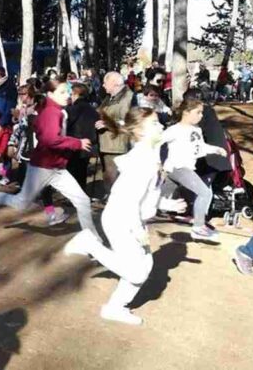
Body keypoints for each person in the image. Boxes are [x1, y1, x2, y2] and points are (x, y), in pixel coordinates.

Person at [65, 107, 187, 325]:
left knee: (145, 265)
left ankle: (115, 307)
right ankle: (89, 244)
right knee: (137, 273)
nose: (160, 126)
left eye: (159, 122)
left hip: (129, 218)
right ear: (140, 131)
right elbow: (129, 200)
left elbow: (147, 196)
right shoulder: (143, 160)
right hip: (121, 220)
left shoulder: (151, 154)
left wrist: (168, 204)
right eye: (154, 123)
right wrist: (137, 231)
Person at [0, 77, 96, 234]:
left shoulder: (56, 111)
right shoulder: (52, 112)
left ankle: (92, 239)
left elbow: (40, 130)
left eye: (68, 91)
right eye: (62, 92)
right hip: (41, 168)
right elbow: (50, 139)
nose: (67, 95)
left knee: (83, 201)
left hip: (57, 168)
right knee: (21, 203)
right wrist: (77, 143)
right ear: (50, 94)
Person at [160, 98, 227, 241]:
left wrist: (216, 149)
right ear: (186, 112)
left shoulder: (197, 130)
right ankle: (198, 227)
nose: (201, 116)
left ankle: (142, 211)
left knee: (158, 197)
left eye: (202, 112)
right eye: (198, 112)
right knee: (204, 193)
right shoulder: (175, 130)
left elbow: (200, 148)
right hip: (178, 168)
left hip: (183, 169)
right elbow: (157, 141)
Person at [96, 71, 135, 198]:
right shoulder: (110, 97)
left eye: (105, 82)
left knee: (115, 177)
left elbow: (130, 121)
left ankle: (116, 201)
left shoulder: (129, 98)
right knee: (109, 175)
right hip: (107, 143)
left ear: (114, 83)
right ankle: (110, 198)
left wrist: (108, 124)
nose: (103, 85)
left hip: (118, 144)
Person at [66, 83, 99, 191]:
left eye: (71, 94)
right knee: (82, 173)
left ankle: (76, 196)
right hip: (88, 145)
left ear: (76, 94)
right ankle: (82, 193)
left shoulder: (72, 109)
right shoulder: (92, 109)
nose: (70, 96)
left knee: (73, 174)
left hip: (74, 145)